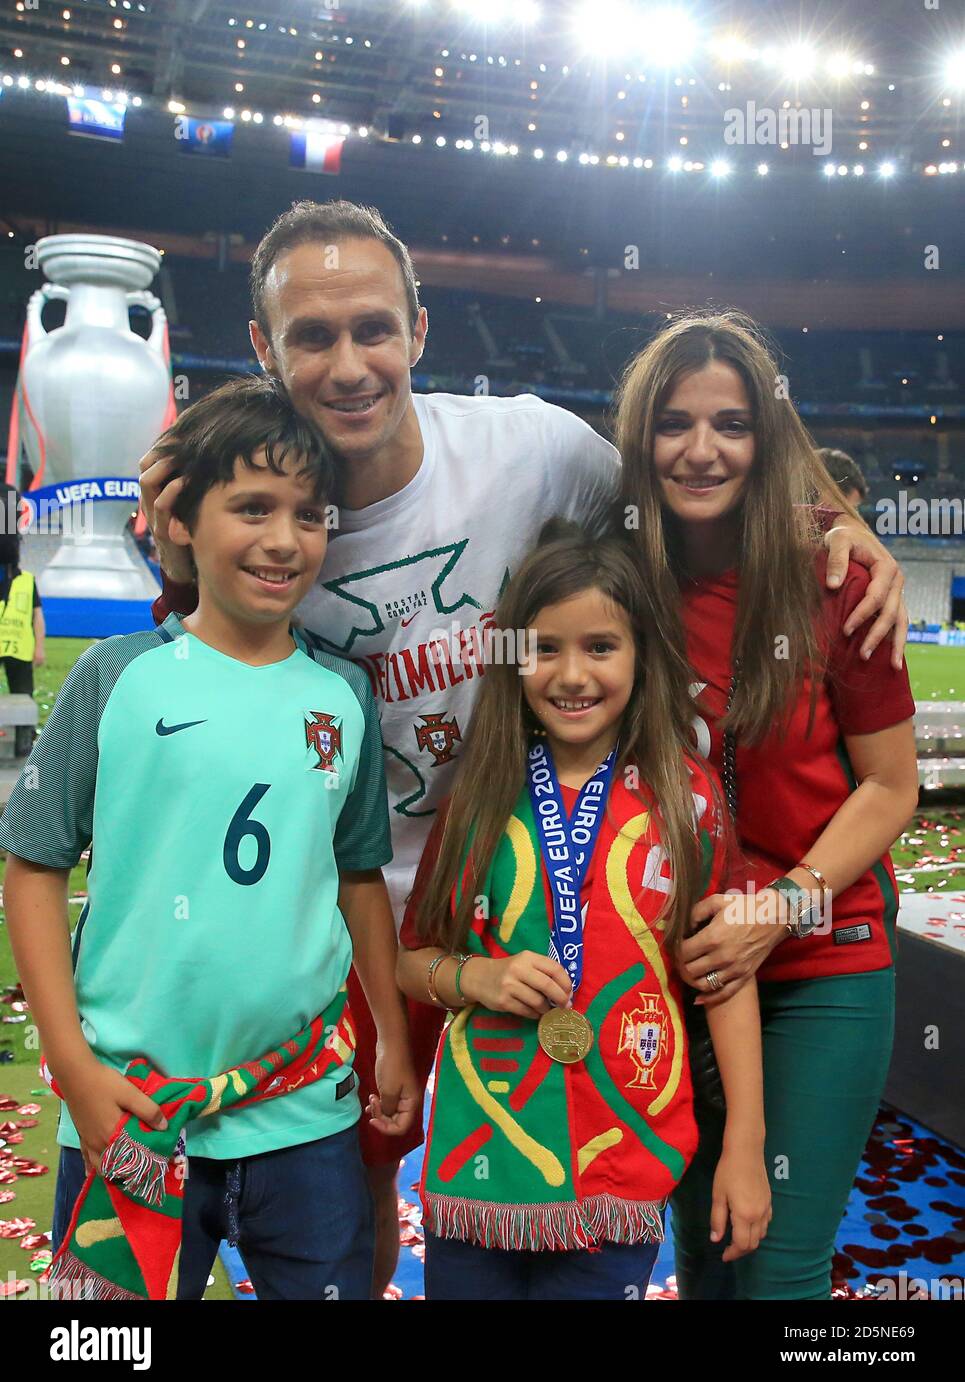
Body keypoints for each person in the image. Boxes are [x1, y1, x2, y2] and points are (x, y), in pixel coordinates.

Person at [138, 198, 908, 1291]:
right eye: (311, 336)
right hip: (350, 916)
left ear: (418, 324)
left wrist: (838, 516)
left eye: (371, 328)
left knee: (648, 1210)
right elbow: (195, 663)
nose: (348, 364)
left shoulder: (533, 447)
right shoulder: (263, 505)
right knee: (346, 1214)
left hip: (553, 902)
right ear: (262, 349)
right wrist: (170, 543)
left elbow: (686, 474)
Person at [0, 376, 417, 1301]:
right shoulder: (119, 677)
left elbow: (358, 880)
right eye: (252, 507)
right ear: (179, 519)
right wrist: (68, 1063)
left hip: (304, 1108)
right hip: (130, 1108)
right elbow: (31, 863)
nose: (284, 539)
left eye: (309, 515)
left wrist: (390, 1030)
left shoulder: (343, 694)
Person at [614, 310, 919, 1299]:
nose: (700, 449)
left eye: (731, 423)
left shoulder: (836, 581)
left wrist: (778, 909)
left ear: (765, 435)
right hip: (678, 967)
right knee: (701, 1251)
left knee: (776, 1263)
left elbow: (889, 786)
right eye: (673, 422)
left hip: (820, 958)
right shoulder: (616, 579)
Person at [397, 520, 772, 1300]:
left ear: (641, 655)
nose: (571, 674)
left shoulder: (688, 800)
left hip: (625, 1155)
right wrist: (478, 979)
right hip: (483, 1162)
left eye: (600, 647)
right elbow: (412, 960)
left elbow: (725, 980)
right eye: (544, 648)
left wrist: (744, 1140)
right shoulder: (478, 797)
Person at [0, 485, 45, 757]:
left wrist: (39, 645)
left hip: (18, 646)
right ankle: (23, 739)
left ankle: (24, 738)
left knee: (23, 691)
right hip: (15, 645)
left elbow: (37, 615)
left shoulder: (26, 582)